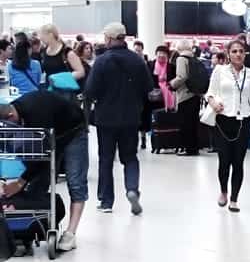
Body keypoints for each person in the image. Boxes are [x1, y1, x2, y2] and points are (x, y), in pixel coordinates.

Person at [0, 84, 90, 251]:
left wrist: (20, 182)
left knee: (75, 180)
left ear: (11, 115)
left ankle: (70, 234)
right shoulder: (16, 111)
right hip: (52, 133)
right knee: (39, 181)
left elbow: (43, 156)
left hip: (73, 131)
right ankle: (31, 228)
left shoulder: (36, 114)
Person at [83, 23, 155, 215]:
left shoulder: (101, 61)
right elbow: (149, 88)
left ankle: (106, 201)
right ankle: (132, 189)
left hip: (106, 117)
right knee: (130, 157)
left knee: (106, 158)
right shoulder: (137, 60)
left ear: (109, 38)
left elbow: (90, 90)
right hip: (131, 117)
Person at [206, 36, 250, 212]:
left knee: (238, 162)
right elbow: (210, 93)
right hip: (223, 120)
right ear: (228, 54)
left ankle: (234, 199)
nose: (238, 54)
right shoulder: (219, 71)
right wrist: (213, 102)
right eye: (234, 51)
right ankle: (223, 191)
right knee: (224, 160)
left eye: (240, 51)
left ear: (245, 54)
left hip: (244, 121)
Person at [169, 39, 207, 156]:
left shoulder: (181, 59)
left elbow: (182, 76)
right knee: (193, 122)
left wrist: (171, 84)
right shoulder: (194, 59)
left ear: (179, 48)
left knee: (185, 123)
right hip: (196, 94)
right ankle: (194, 147)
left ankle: (188, 148)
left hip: (185, 94)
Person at [38, 24, 85, 89]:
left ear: (50, 35)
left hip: (65, 92)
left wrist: (59, 79)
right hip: (50, 90)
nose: (40, 38)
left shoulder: (67, 52)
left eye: (42, 35)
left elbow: (81, 72)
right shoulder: (44, 51)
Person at [8, 34, 43, 98]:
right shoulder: (36, 64)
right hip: (33, 96)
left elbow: (10, 82)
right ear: (29, 50)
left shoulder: (11, 65)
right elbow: (38, 81)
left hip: (17, 97)